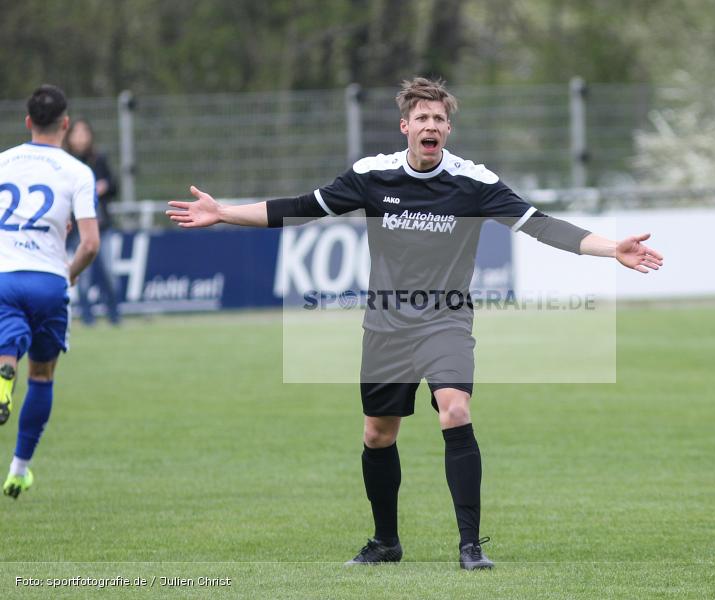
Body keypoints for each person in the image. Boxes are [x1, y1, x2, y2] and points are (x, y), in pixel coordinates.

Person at [167, 77, 663, 569]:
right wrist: (224, 212)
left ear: (449, 130)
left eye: (440, 119)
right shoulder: (372, 176)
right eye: (422, 118)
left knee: (455, 411)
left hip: (444, 320)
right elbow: (300, 208)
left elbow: (542, 225)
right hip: (386, 326)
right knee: (379, 436)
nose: (431, 126)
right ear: (405, 127)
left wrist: (610, 247)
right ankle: (386, 542)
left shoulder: (474, 183)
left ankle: (471, 547)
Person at [0, 85, 100, 499]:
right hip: (48, 280)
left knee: (9, 342)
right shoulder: (76, 172)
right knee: (42, 376)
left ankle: (4, 371)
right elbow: (90, 244)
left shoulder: (3, 161)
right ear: (64, 123)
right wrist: (70, 274)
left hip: (4, 277)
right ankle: (19, 470)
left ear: (27, 122)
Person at [64, 118, 120, 325]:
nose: (80, 137)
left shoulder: (99, 159)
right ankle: (88, 319)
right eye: (76, 133)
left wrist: (104, 187)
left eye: (84, 132)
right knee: (82, 277)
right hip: (76, 228)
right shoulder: (65, 161)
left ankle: (115, 317)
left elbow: (114, 186)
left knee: (109, 273)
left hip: (101, 226)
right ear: (68, 136)